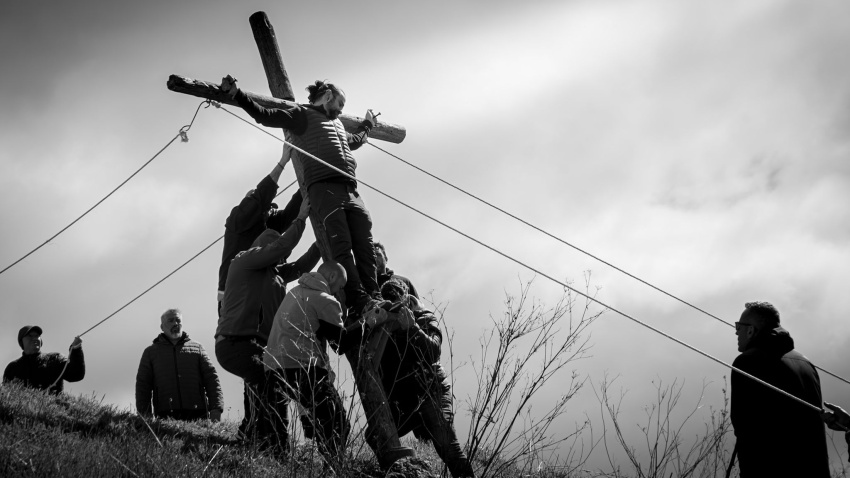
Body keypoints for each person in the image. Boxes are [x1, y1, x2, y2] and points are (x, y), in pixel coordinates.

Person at [220, 75, 383, 319]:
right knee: (342, 245)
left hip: (350, 188)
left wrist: (367, 125)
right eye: (340, 104)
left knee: (365, 243)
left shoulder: (337, 125)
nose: (341, 110)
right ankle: (359, 301)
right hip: (324, 188)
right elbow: (265, 115)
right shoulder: (301, 115)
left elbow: (355, 141)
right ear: (327, 96)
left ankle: (375, 296)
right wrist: (238, 95)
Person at [215, 198, 311, 450]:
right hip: (237, 343)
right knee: (272, 385)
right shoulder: (244, 261)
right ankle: (276, 446)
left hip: (256, 347)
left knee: (263, 388)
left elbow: (301, 266)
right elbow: (281, 246)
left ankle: (254, 439)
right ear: (266, 248)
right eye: (278, 254)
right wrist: (301, 218)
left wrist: (322, 243)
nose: (282, 259)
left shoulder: (275, 275)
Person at [263, 261, 380, 463]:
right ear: (332, 277)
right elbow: (340, 344)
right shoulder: (325, 300)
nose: (339, 292)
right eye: (341, 287)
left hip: (272, 366)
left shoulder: (294, 292)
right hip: (301, 366)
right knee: (337, 423)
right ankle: (333, 467)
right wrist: (369, 322)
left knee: (276, 427)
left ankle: (277, 463)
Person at [376, 279, 475, 477]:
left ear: (406, 299)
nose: (395, 309)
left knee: (448, 447)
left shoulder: (424, 316)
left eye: (397, 303)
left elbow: (433, 351)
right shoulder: (383, 324)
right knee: (375, 435)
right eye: (390, 304)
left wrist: (412, 328)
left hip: (430, 390)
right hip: (404, 400)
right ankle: (403, 472)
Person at [730, 301, 829, 477]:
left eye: (738, 326)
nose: (736, 332)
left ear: (751, 330)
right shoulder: (806, 363)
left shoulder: (747, 361)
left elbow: (743, 425)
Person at [217, 152, 305, 315]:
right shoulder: (238, 219)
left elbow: (288, 215)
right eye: (268, 207)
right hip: (234, 296)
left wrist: (306, 185)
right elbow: (260, 197)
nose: (271, 210)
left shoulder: (265, 225)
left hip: (257, 291)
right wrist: (283, 161)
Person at [135, 308, 224, 421]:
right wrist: (144, 415)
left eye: (178, 320)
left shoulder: (198, 348)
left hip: (198, 415)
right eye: (170, 320)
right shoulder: (150, 352)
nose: (175, 323)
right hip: (165, 416)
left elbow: (212, 379)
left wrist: (216, 409)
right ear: (162, 327)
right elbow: (143, 386)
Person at [3, 325, 85, 394]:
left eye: (37, 336)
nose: (35, 338)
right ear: (21, 342)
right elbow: (5, 395)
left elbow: (76, 375)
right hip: (20, 409)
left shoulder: (55, 358)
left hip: (52, 408)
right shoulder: (12, 368)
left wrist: (76, 349)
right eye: (30, 336)